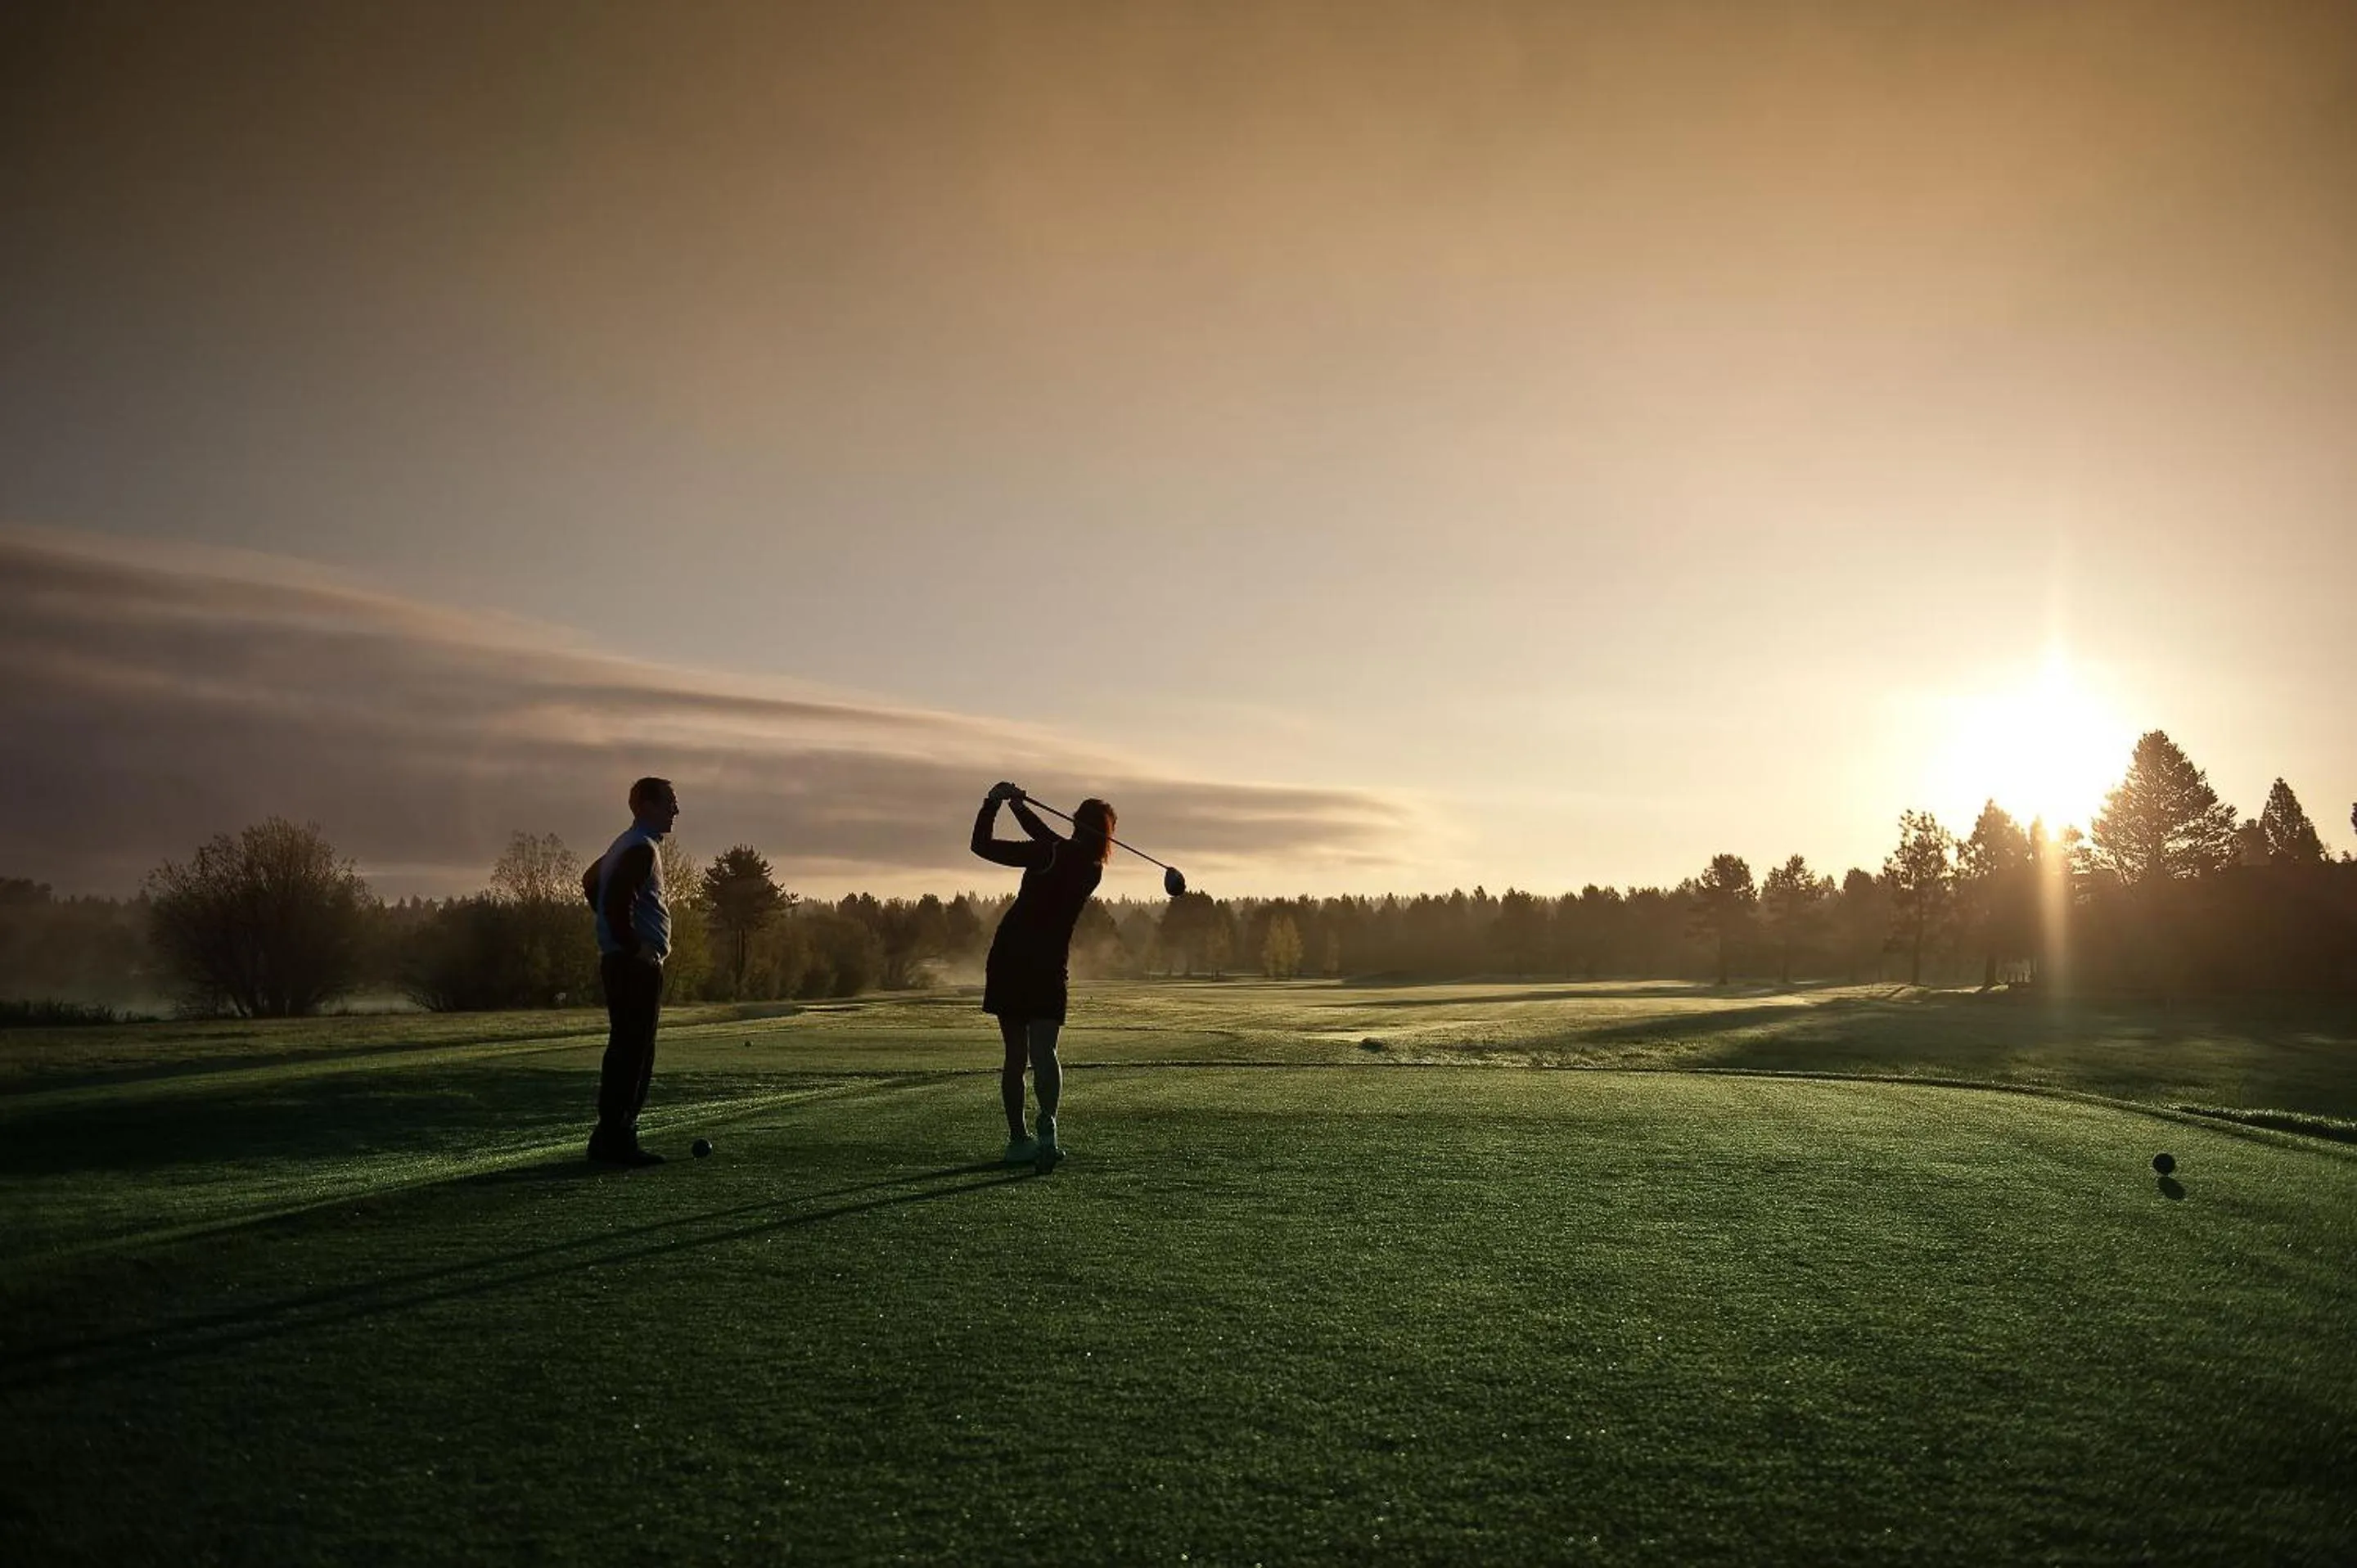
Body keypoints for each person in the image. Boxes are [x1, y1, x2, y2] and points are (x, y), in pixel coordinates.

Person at [971, 782, 1112, 1165]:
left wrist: (995, 803)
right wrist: (1017, 807)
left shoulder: (1050, 851)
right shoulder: (1092, 868)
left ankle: (1019, 1141)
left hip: (1011, 956)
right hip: (1049, 964)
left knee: (1016, 1055)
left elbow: (982, 846)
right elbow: (1050, 839)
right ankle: (1047, 1127)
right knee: (1045, 1051)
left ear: (1075, 824)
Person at [580, 776, 679, 1166]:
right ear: (646, 806)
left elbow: (591, 883)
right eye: (669, 802)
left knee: (627, 1047)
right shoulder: (640, 848)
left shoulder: (629, 844)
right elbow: (616, 896)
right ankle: (617, 1138)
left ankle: (611, 1136)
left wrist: (613, 927)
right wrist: (634, 944)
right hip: (633, 964)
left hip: (623, 960)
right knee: (634, 1051)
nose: (675, 810)